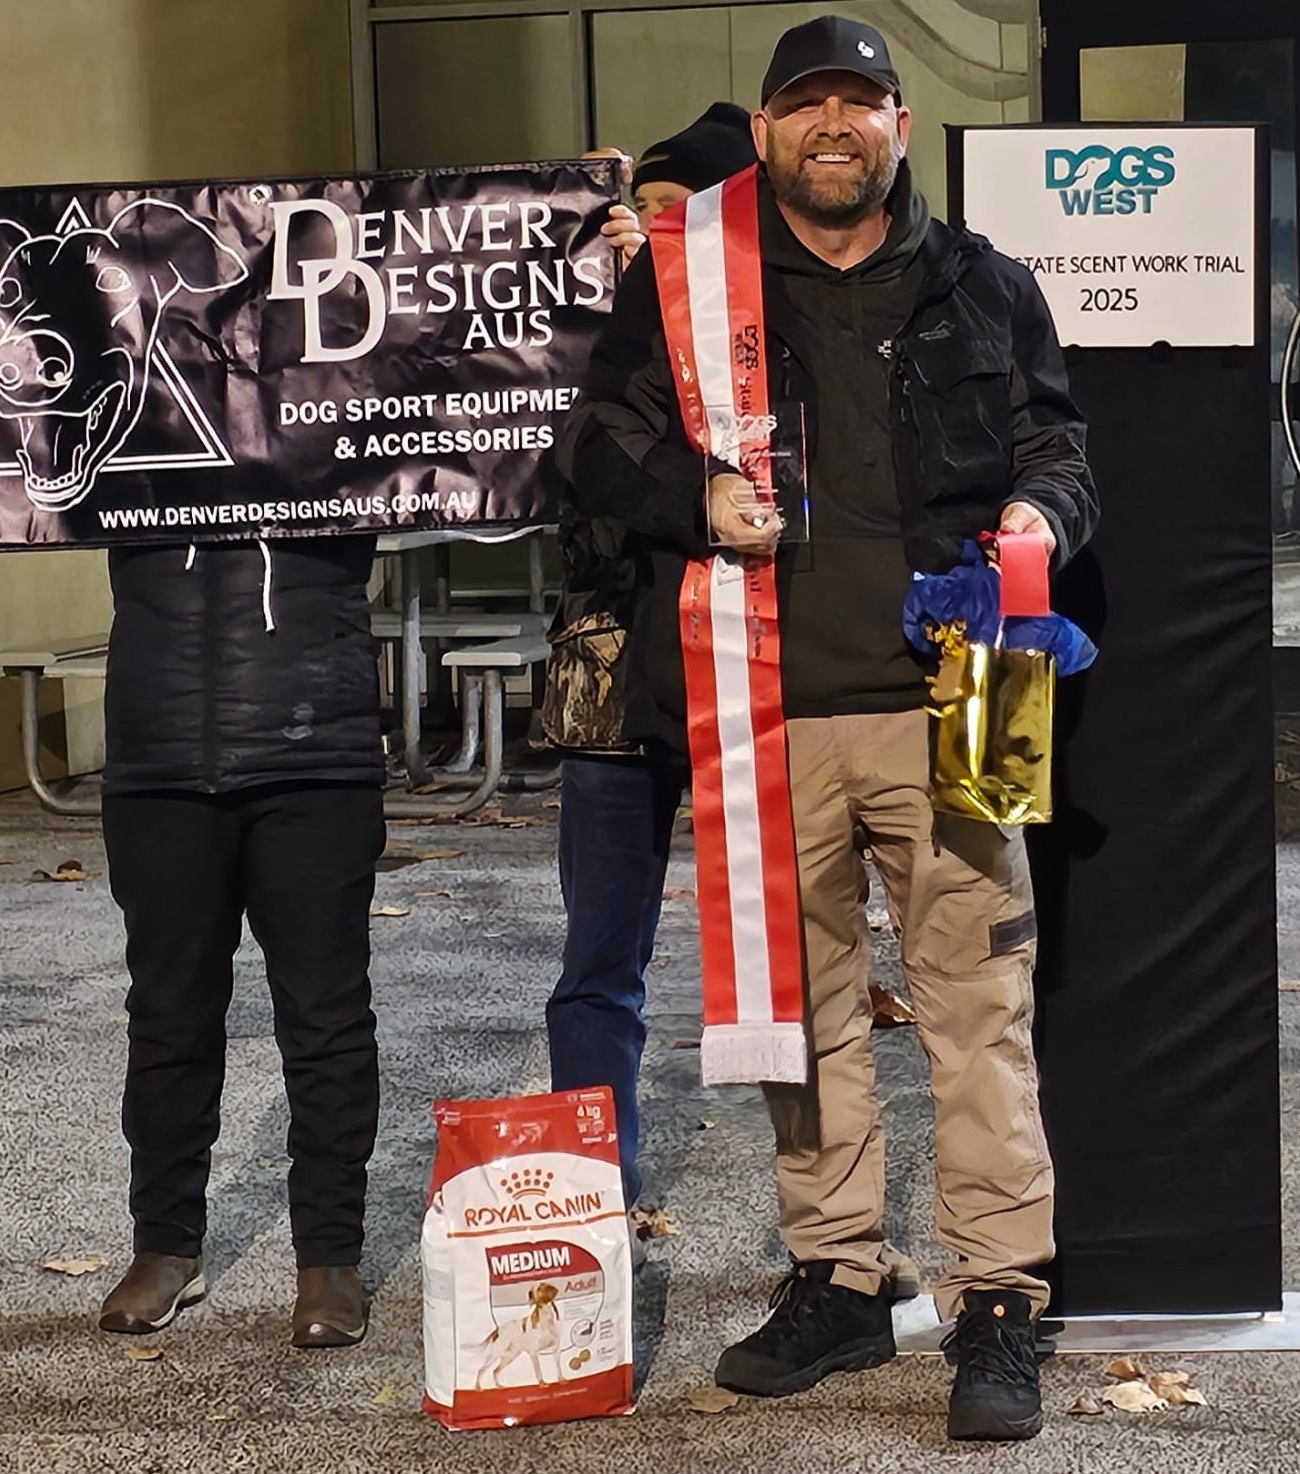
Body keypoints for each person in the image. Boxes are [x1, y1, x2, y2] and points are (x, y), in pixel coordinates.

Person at [558, 16, 1097, 1443]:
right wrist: (695, 497)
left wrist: (1043, 516)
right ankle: (839, 1273)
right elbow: (596, 447)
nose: (833, 128)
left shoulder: (984, 283)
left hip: (962, 706)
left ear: (900, 127)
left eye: (858, 103)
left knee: (980, 1014)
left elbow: (1058, 445)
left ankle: (999, 1298)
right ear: (773, 131)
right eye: (806, 107)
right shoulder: (686, 288)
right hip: (765, 716)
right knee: (791, 1018)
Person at [0, 194, 386, 1350]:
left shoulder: (351, 416)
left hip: (314, 747)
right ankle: (167, 1242)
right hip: (159, 750)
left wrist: (585, 256)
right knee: (166, 1014)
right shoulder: (122, 418)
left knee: (326, 1017)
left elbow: (498, 394)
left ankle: (330, 1259)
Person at [544, 106, 758, 1217]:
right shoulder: (590, 326)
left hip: (750, 666)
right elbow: (567, 453)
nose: (658, 234)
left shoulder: (774, 326)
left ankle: (824, 1220)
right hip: (613, 674)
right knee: (600, 955)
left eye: (687, 217)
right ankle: (592, 1187)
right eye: (648, 216)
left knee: (786, 950)